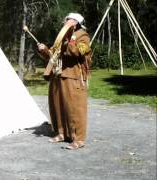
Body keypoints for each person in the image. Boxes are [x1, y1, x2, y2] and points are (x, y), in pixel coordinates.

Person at [37, 13, 92, 150]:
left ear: (76, 23)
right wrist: (44, 51)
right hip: (57, 75)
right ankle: (61, 133)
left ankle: (78, 139)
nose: (65, 22)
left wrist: (68, 42)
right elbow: (53, 56)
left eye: (69, 20)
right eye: (66, 20)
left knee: (74, 108)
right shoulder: (61, 38)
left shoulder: (83, 36)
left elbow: (78, 52)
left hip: (73, 77)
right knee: (57, 106)